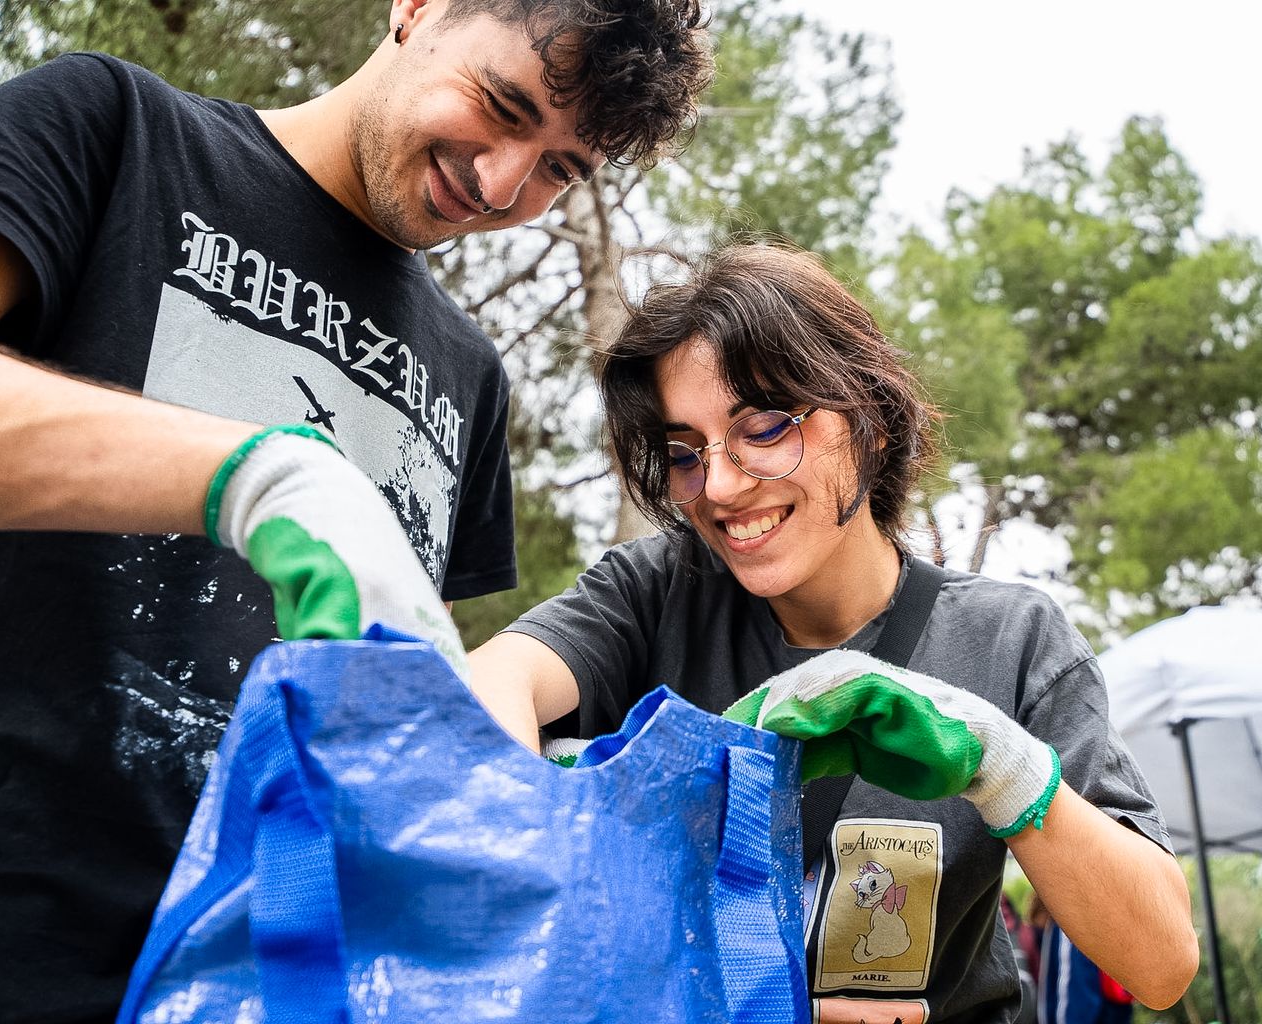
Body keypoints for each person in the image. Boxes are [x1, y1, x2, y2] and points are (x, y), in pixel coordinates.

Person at [0, 1, 712, 1020]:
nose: (502, 186)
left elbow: (405, 726)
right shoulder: (117, 135)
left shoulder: (470, 374)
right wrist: (254, 474)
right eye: (502, 106)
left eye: (559, 170)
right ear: (415, 8)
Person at [469, 244, 1199, 1023]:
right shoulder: (654, 591)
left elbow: (1160, 966)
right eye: (684, 453)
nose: (718, 486)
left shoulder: (1010, 639)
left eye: (763, 429)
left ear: (871, 423)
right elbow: (486, 688)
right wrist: (584, 787)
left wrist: (1001, 766)